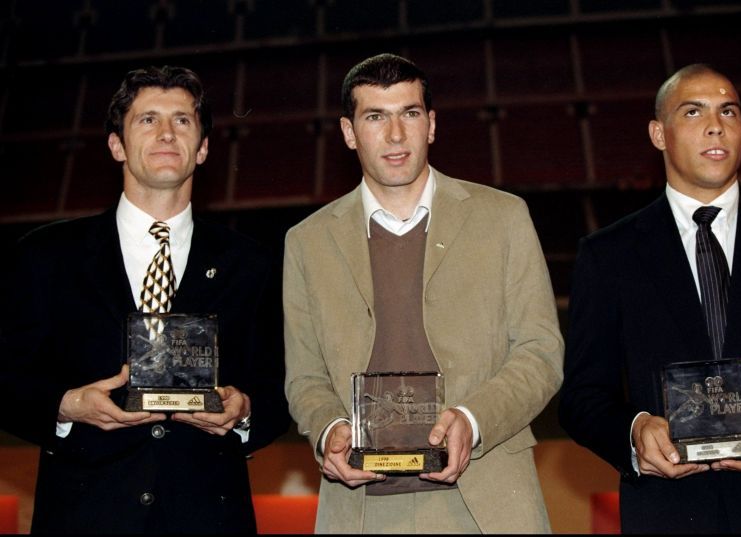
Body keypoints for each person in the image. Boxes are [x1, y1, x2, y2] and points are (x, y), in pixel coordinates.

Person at [0, 65, 289, 534]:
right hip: (84, 517)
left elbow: (283, 386)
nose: (167, 133)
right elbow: (7, 376)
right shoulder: (45, 256)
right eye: (147, 119)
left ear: (203, 148)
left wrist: (244, 411)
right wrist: (67, 404)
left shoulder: (252, 264)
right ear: (117, 144)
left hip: (208, 517)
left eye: (182, 120)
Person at [282, 53, 563, 533]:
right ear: (349, 132)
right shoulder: (306, 241)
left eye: (409, 114)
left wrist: (472, 421)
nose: (395, 135)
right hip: (361, 508)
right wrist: (330, 430)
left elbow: (541, 353)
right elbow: (304, 378)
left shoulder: (504, 217)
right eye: (375, 117)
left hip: (487, 497)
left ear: (430, 125)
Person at [558, 64, 741, 533]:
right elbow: (582, 398)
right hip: (669, 514)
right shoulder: (609, 254)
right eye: (693, 111)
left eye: (728, 111)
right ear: (658, 134)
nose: (715, 124)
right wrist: (635, 430)